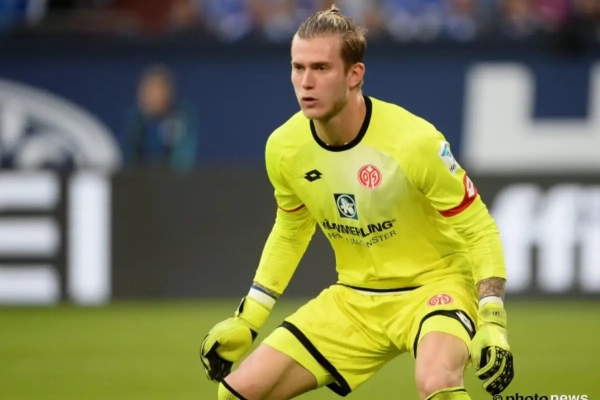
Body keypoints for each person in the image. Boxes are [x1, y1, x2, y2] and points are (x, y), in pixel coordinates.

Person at [200, 5, 514, 400]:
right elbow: (290, 230)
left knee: (437, 384)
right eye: (298, 67)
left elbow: (478, 227)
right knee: (236, 394)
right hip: (354, 298)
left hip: (436, 288)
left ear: (354, 74)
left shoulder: (414, 142)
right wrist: (249, 319)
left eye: (321, 68)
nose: (306, 82)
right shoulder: (284, 148)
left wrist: (492, 317)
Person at [121, 64, 198, 171]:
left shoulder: (182, 116)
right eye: (147, 92)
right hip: (140, 179)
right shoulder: (136, 118)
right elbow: (129, 158)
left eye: (156, 91)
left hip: (170, 179)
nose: (151, 97)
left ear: (168, 94)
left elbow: (182, 162)